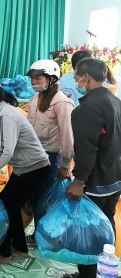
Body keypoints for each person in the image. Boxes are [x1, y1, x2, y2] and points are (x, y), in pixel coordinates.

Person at [0, 78, 51, 265]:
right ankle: (19, 246)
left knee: (7, 205)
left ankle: (4, 253)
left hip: (35, 168)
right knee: (10, 204)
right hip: (25, 168)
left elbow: (6, 151)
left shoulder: (6, 115)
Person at [63, 59, 121, 278]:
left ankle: (87, 274)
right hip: (115, 178)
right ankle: (101, 271)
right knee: (106, 228)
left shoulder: (86, 110)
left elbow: (86, 149)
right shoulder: (115, 101)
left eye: (77, 76)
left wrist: (78, 182)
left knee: (87, 233)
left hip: (95, 182)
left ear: (85, 77)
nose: (76, 81)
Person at [25, 59, 74, 246]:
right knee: (36, 198)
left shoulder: (62, 102)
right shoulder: (35, 99)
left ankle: (46, 238)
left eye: (38, 78)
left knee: (46, 200)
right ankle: (41, 235)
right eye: (32, 79)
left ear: (51, 78)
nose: (34, 82)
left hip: (51, 157)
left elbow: (67, 136)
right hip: (34, 156)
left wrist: (65, 164)